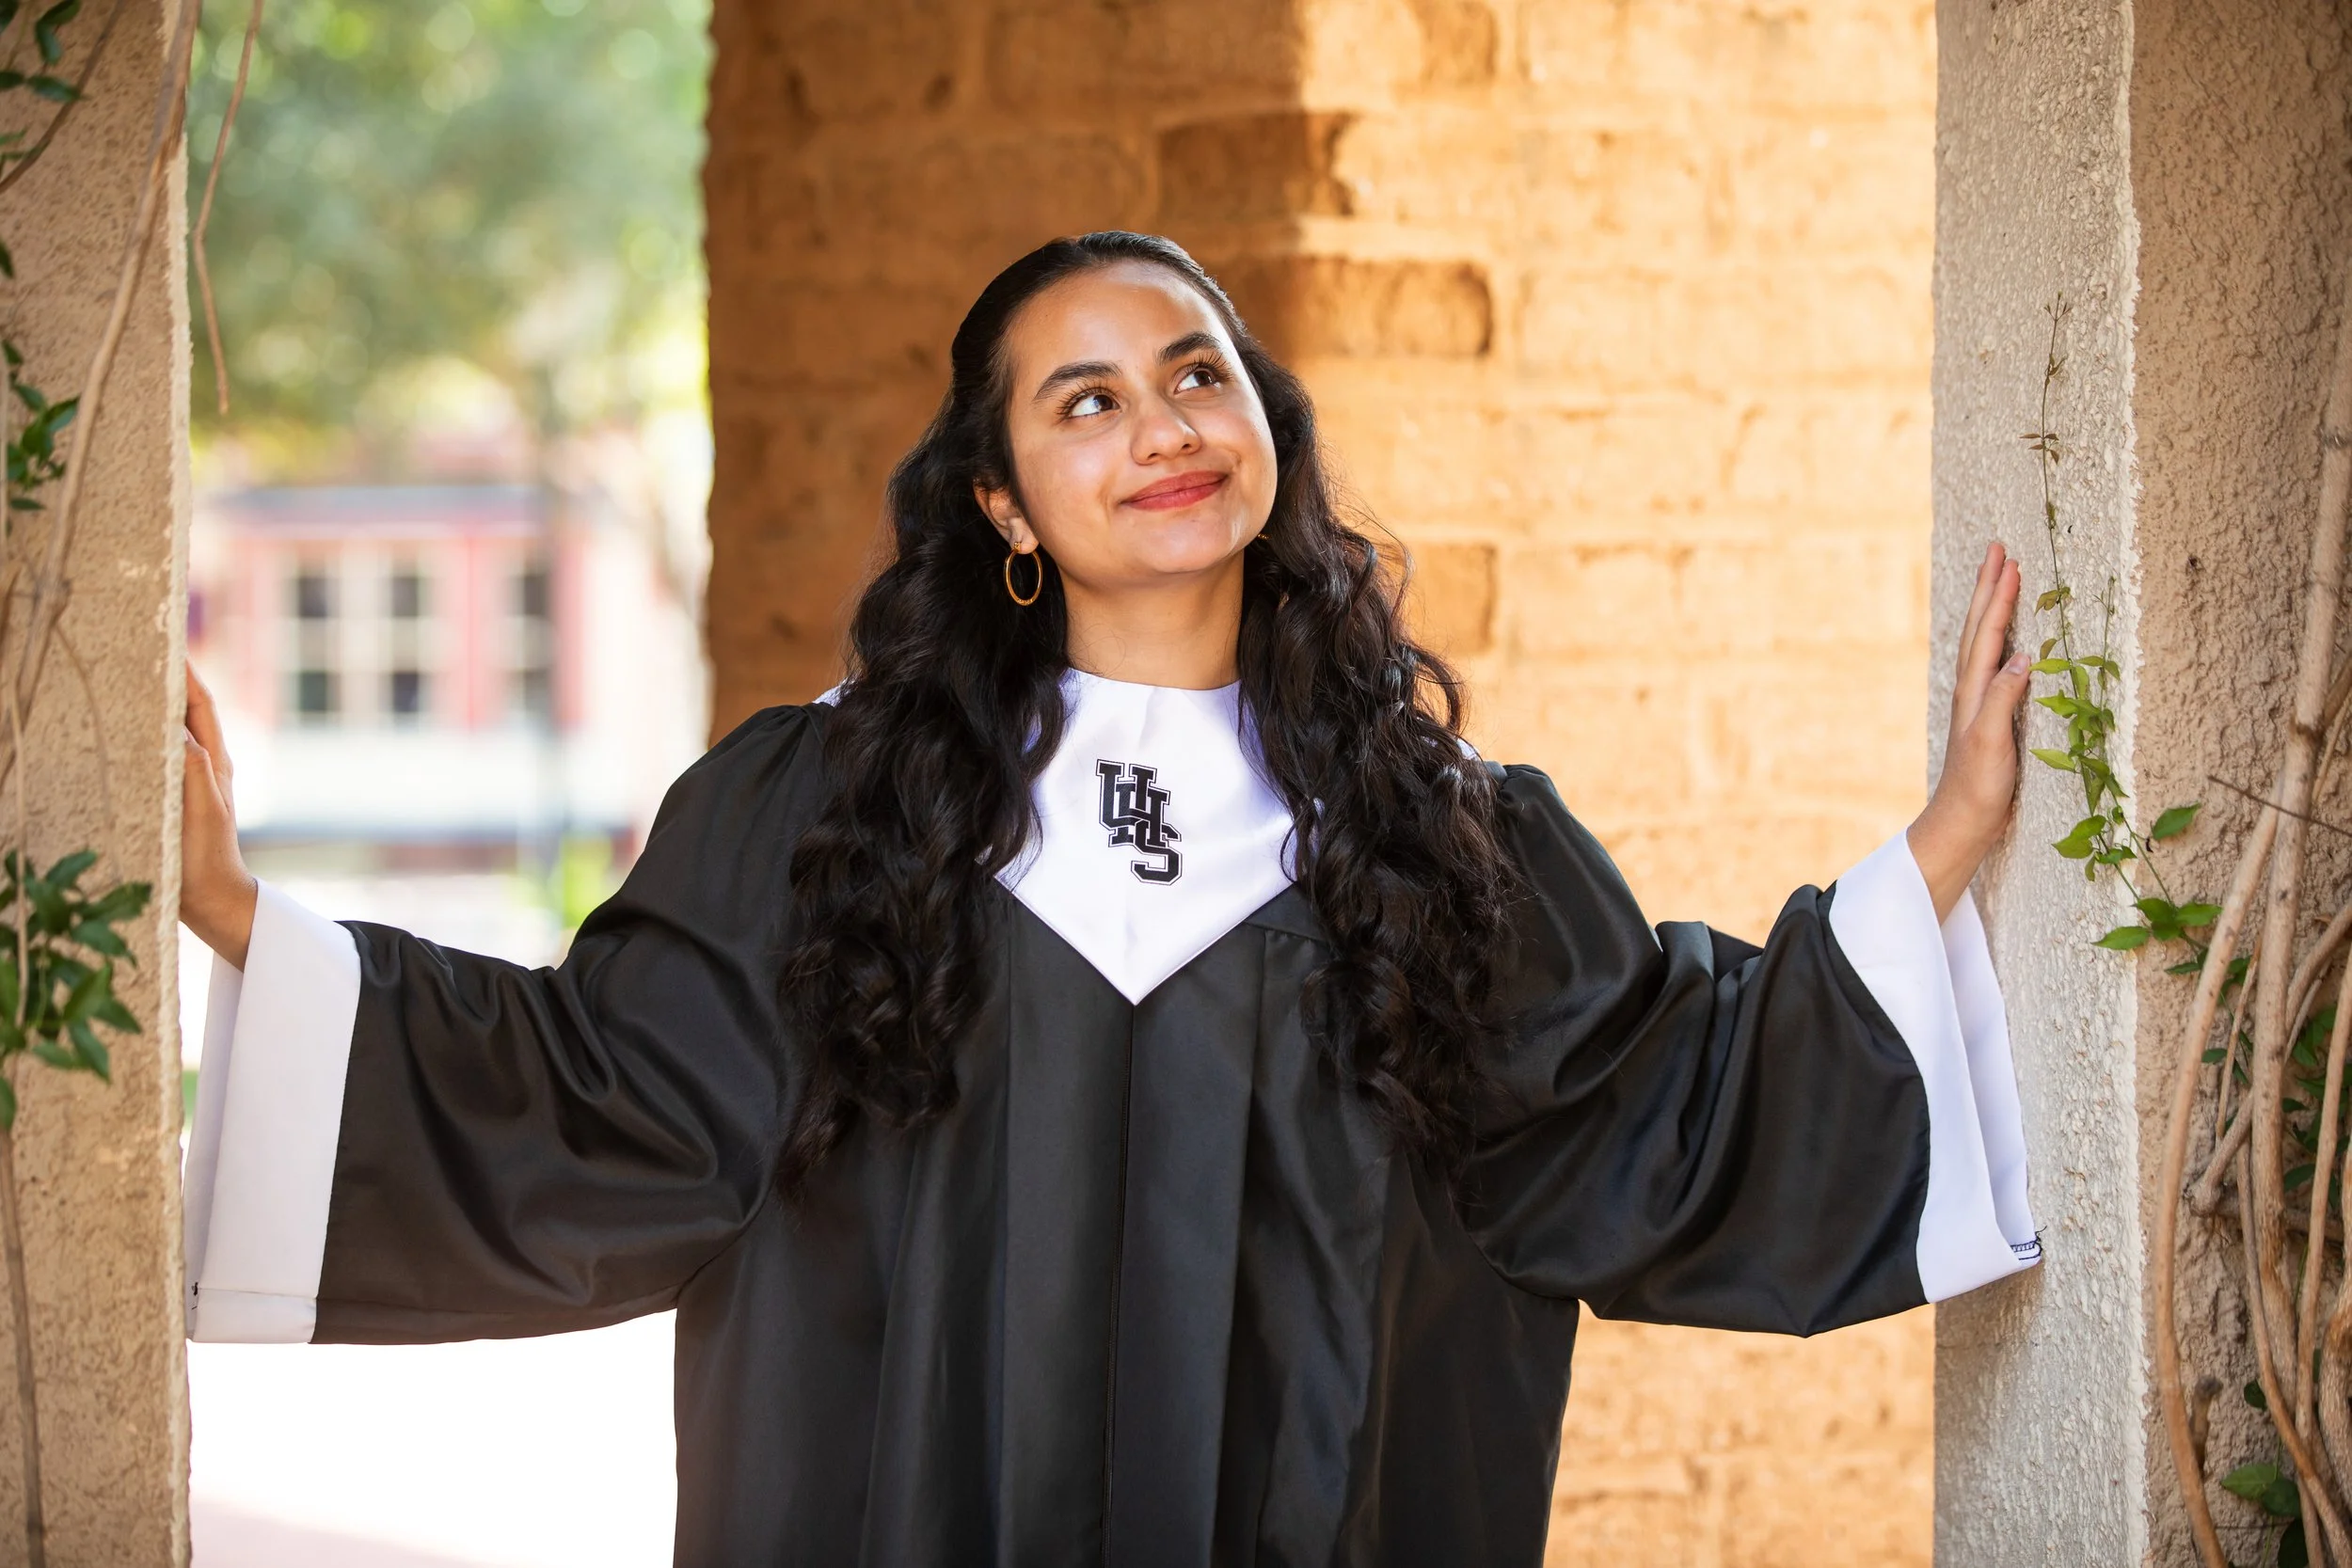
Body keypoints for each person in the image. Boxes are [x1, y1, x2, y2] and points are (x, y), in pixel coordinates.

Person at [178, 231, 2038, 1567]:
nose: (1160, 426)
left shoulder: (1429, 839)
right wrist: (239, 914)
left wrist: (1942, 842)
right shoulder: (829, 817)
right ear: (1000, 499)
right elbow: (602, 1099)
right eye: (1086, 398)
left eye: (1195, 373)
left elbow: (1649, 1114)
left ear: (1260, 430)